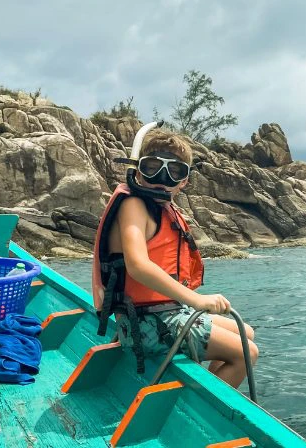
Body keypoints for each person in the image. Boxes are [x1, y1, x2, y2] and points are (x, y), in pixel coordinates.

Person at [91, 129, 257, 387]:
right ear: (137, 170)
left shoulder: (159, 209)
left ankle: (205, 391)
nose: (162, 178)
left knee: (247, 332)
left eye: (174, 172)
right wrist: (196, 299)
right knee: (246, 354)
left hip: (163, 315)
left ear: (184, 181)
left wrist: (190, 302)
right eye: (153, 167)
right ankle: (202, 411)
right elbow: (137, 265)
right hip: (146, 325)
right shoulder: (133, 205)